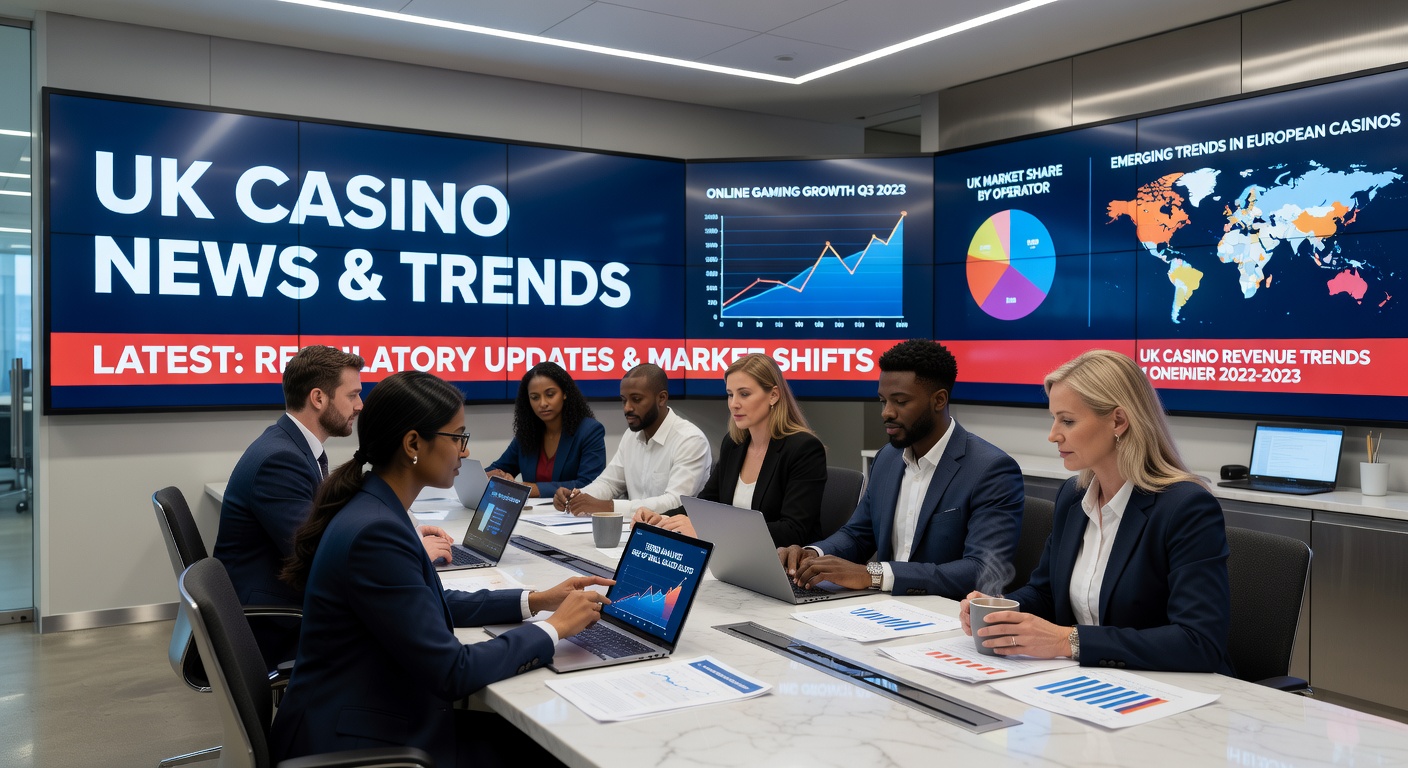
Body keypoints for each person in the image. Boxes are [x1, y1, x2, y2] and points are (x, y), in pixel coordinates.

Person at [269, 370, 611, 767]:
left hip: (376, 715)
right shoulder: (376, 533)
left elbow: (427, 602)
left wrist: (535, 600)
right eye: (458, 437)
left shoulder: (374, 506)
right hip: (364, 742)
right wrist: (555, 628)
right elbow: (453, 671)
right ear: (413, 443)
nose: (465, 452)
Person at [960, 349, 1234, 674]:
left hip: (1171, 688)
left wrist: (1068, 641)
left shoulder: (1186, 507)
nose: (1053, 435)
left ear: (1118, 421)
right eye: (1054, 419)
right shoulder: (1072, 498)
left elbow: (1198, 642)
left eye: (1068, 420)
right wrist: (1000, 613)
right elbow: (1046, 593)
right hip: (1091, 679)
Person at [212, 345, 455, 668]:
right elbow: (317, 555)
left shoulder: (291, 446)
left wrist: (404, 533)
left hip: (279, 607)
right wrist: (411, 551)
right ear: (318, 398)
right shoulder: (280, 460)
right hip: (273, 629)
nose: (360, 405)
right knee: (411, 645)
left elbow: (324, 527)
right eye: (353, 395)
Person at [778, 339, 1024, 599]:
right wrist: (812, 555)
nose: (886, 412)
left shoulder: (991, 470)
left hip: (948, 613)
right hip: (885, 606)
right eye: (883, 401)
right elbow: (858, 535)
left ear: (939, 400)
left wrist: (874, 574)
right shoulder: (887, 458)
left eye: (900, 401)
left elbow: (982, 570)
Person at [634, 353, 826, 547]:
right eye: (730, 394)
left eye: (744, 394)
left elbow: (792, 532)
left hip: (782, 560)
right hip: (733, 556)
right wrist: (659, 518)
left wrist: (708, 531)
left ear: (773, 395)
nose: (734, 404)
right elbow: (706, 505)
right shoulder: (734, 444)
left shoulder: (804, 449)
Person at [553, 364, 711, 516]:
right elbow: (609, 483)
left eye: (636, 399)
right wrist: (577, 497)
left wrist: (610, 506)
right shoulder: (631, 436)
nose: (627, 408)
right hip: (633, 527)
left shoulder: (690, 440)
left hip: (674, 531)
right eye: (624, 400)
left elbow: (675, 502)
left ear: (662, 398)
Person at [486, 361, 606, 497]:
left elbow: (589, 483)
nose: (542, 403)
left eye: (550, 395)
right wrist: (494, 476)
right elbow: (498, 468)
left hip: (570, 509)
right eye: (535, 397)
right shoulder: (527, 433)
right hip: (532, 510)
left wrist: (529, 489)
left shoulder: (590, 431)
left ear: (565, 393)